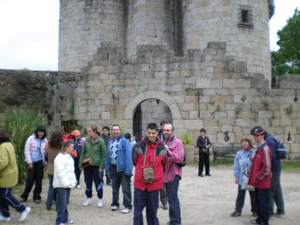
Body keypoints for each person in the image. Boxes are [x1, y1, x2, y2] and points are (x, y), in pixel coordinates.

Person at [132, 123, 168, 225]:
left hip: (155, 185)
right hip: (140, 184)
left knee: (152, 213)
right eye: (149, 133)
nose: (151, 135)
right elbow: (135, 160)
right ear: (146, 132)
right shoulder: (138, 146)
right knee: (137, 212)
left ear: (157, 132)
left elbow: (164, 162)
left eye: (153, 133)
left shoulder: (162, 148)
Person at [0, 129, 31, 222]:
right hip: (10, 173)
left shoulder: (2, 147)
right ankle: (5, 214)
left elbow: (3, 162)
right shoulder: (9, 144)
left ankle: (22, 209)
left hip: (6, 175)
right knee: (1, 195)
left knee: (5, 195)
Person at [105, 125, 133, 214]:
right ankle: (115, 203)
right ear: (112, 132)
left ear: (119, 131)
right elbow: (107, 156)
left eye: (117, 130)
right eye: (113, 130)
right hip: (113, 168)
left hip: (123, 169)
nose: (115, 131)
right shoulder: (110, 142)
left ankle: (128, 205)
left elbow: (129, 157)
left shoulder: (125, 142)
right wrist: (107, 169)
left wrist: (128, 171)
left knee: (125, 189)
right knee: (115, 188)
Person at [249, 127, 272, 225]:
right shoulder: (258, 148)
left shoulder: (265, 149)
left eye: (257, 135)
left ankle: (264, 221)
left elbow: (267, 167)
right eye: (254, 135)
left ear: (262, 135)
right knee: (259, 202)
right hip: (258, 182)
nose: (255, 137)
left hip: (262, 182)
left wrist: (258, 177)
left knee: (263, 203)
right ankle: (260, 219)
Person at [79, 125, 106, 208]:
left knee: (98, 182)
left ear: (95, 132)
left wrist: (101, 166)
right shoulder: (86, 141)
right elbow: (83, 153)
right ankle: (88, 198)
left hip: (97, 166)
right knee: (87, 181)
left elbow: (103, 154)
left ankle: (100, 199)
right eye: (88, 132)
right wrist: (80, 164)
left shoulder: (100, 141)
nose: (89, 133)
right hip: (87, 165)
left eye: (90, 131)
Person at [261, 127, 285, 219]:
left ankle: (270, 213)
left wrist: (267, 170)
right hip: (276, 167)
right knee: (277, 189)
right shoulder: (271, 139)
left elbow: (270, 157)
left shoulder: (269, 141)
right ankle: (281, 211)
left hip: (273, 168)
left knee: (270, 189)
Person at [163, 123, 184, 225]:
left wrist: (169, 151)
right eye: (164, 130)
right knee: (171, 199)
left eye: (168, 130)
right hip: (166, 174)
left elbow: (180, 158)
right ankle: (173, 220)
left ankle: (176, 222)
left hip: (173, 174)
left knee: (173, 199)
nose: (165, 132)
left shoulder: (177, 142)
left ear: (173, 131)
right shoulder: (165, 142)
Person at [20, 125, 48, 203]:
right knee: (30, 179)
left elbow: (46, 153)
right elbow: (27, 150)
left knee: (39, 180)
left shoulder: (45, 140)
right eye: (39, 132)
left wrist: (45, 164)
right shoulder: (31, 138)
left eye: (42, 132)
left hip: (40, 162)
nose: (40, 133)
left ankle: (37, 197)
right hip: (32, 161)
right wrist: (29, 162)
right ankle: (24, 196)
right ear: (37, 131)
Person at [231, 137, 257, 217]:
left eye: (246, 142)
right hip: (242, 177)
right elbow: (236, 166)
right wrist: (236, 176)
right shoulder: (239, 153)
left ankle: (255, 210)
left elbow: (258, 164)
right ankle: (238, 210)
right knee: (240, 195)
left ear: (249, 143)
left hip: (252, 177)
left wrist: (254, 159)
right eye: (243, 142)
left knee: (253, 195)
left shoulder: (254, 152)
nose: (244, 143)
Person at [53, 140, 77, 225]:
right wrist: (65, 182)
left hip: (68, 184)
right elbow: (61, 171)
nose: (73, 149)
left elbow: (71, 171)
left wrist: (73, 181)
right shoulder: (60, 157)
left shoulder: (69, 157)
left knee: (65, 202)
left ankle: (65, 218)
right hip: (61, 184)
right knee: (62, 203)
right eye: (71, 147)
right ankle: (59, 220)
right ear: (66, 147)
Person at [45, 131, 63, 210]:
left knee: (51, 186)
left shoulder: (48, 145)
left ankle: (48, 205)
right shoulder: (62, 146)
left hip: (51, 167)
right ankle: (58, 205)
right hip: (59, 168)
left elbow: (46, 155)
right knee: (59, 187)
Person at [157, 120, 168, 210]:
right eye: (163, 126)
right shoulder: (157, 135)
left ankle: (164, 201)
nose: (164, 128)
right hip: (157, 161)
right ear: (160, 126)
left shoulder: (168, 136)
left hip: (165, 161)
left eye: (166, 126)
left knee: (163, 184)